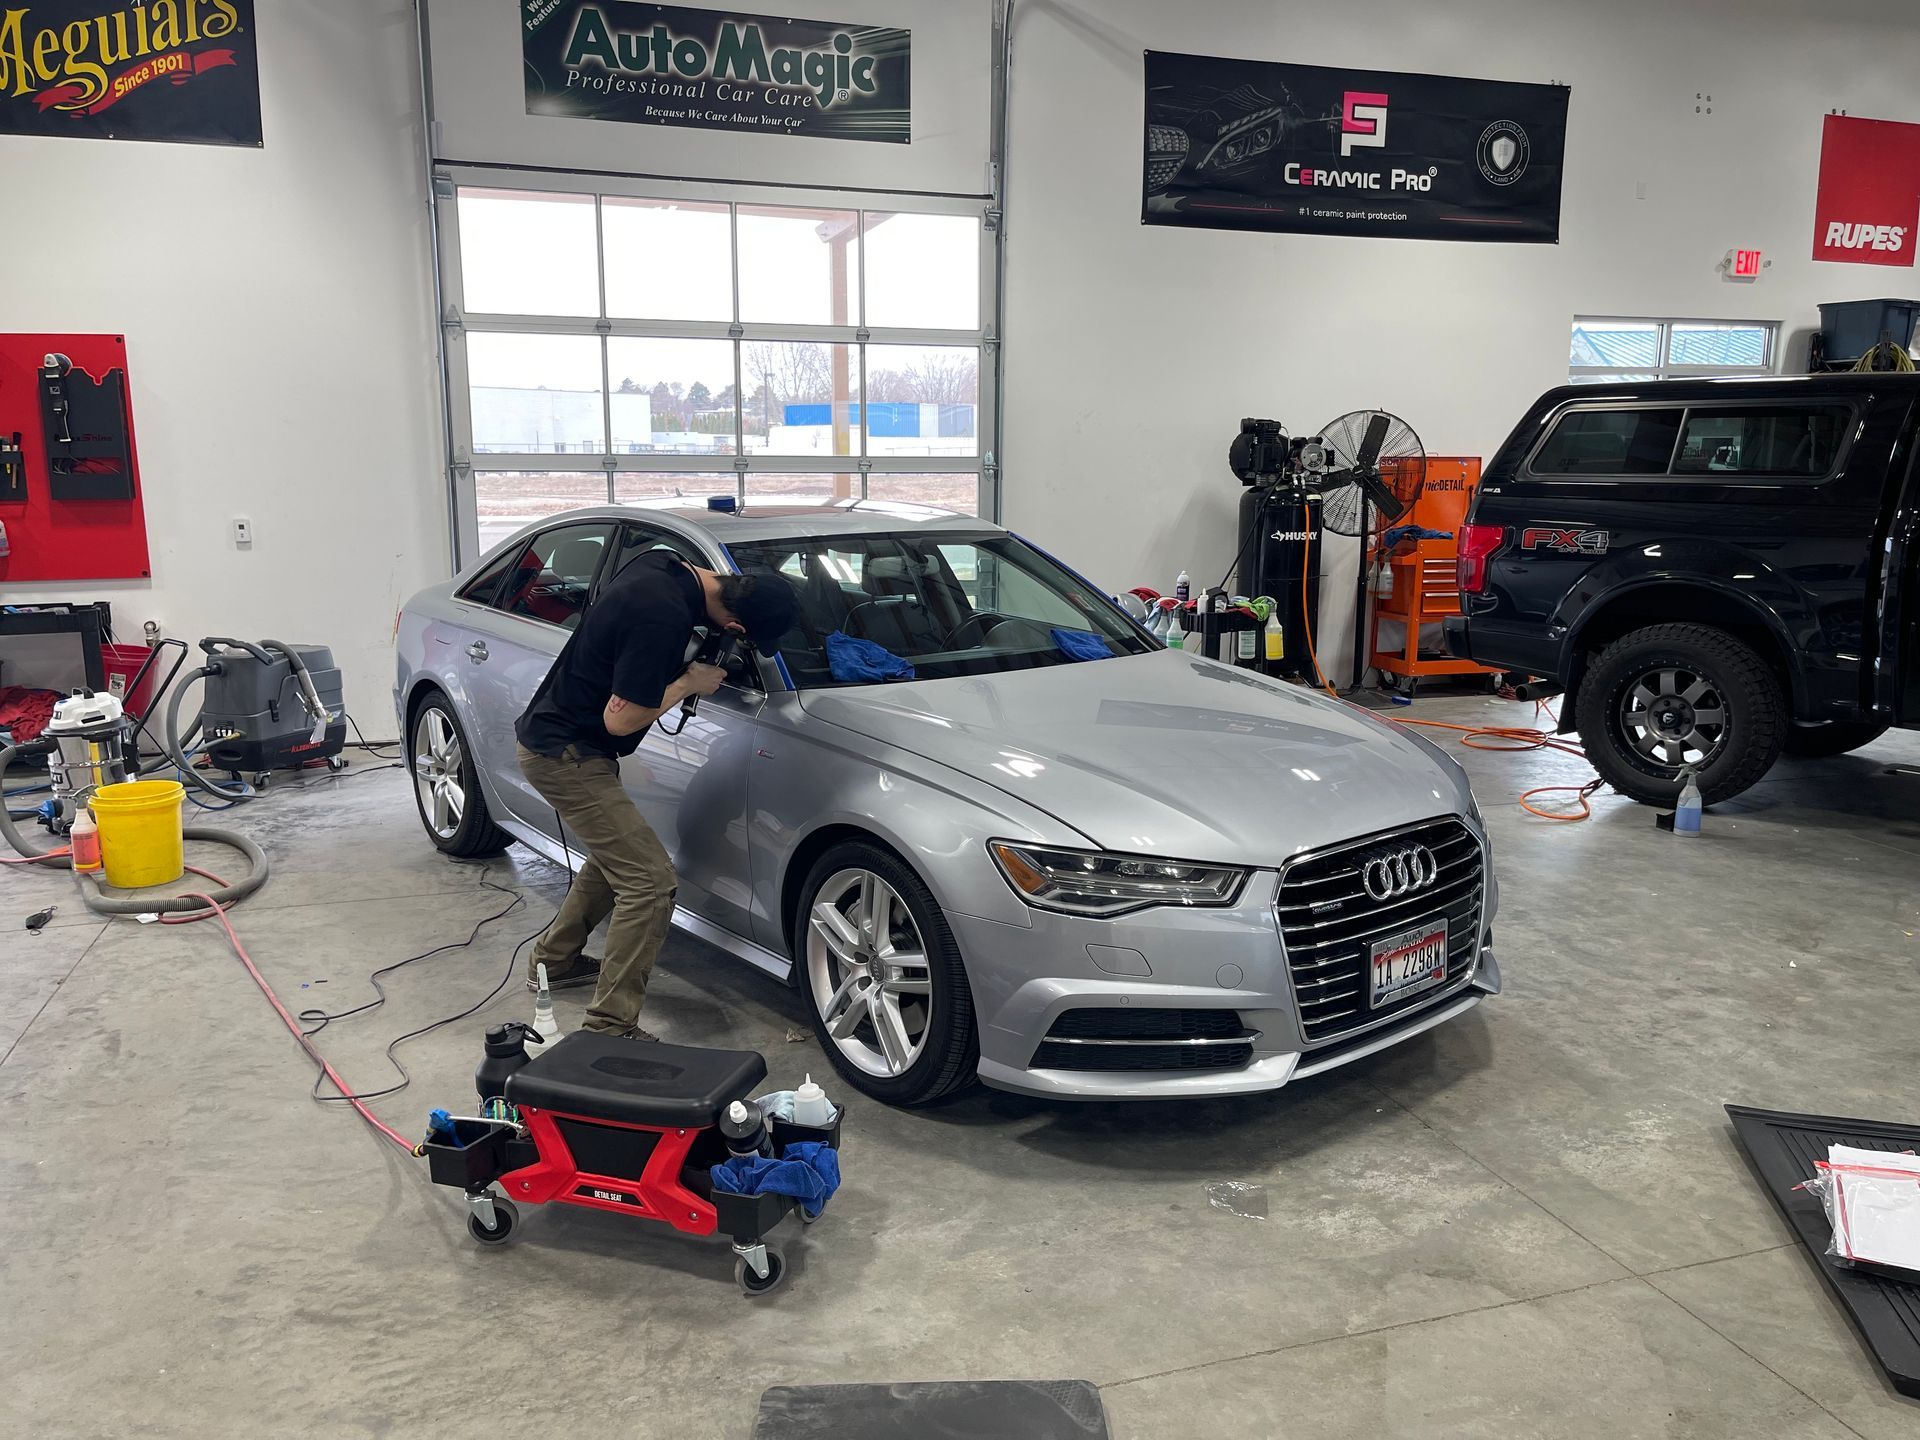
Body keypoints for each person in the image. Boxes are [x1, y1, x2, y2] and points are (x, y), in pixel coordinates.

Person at [514, 550, 795, 1040]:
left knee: (615, 860)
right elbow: (618, 720)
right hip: (566, 755)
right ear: (734, 621)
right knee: (650, 881)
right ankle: (609, 1027)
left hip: (570, 746)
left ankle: (552, 963)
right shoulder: (661, 615)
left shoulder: (666, 565)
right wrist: (690, 681)